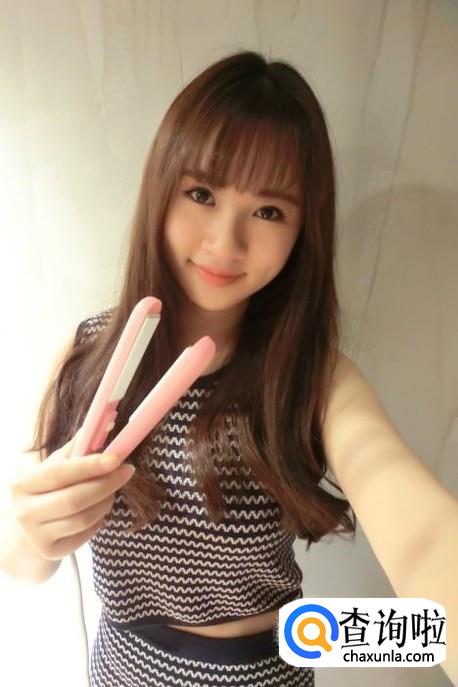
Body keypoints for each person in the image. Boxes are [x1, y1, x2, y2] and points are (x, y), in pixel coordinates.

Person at [1, 50, 456, 686]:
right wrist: (35, 533)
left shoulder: (313, 379)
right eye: (202, 194)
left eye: (269, 211)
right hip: (123, 668)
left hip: (266, 670)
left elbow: (425, 535)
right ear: (161, 191)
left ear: (303, 230)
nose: (225, 243)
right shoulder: (87, 352)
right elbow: (21, 564)